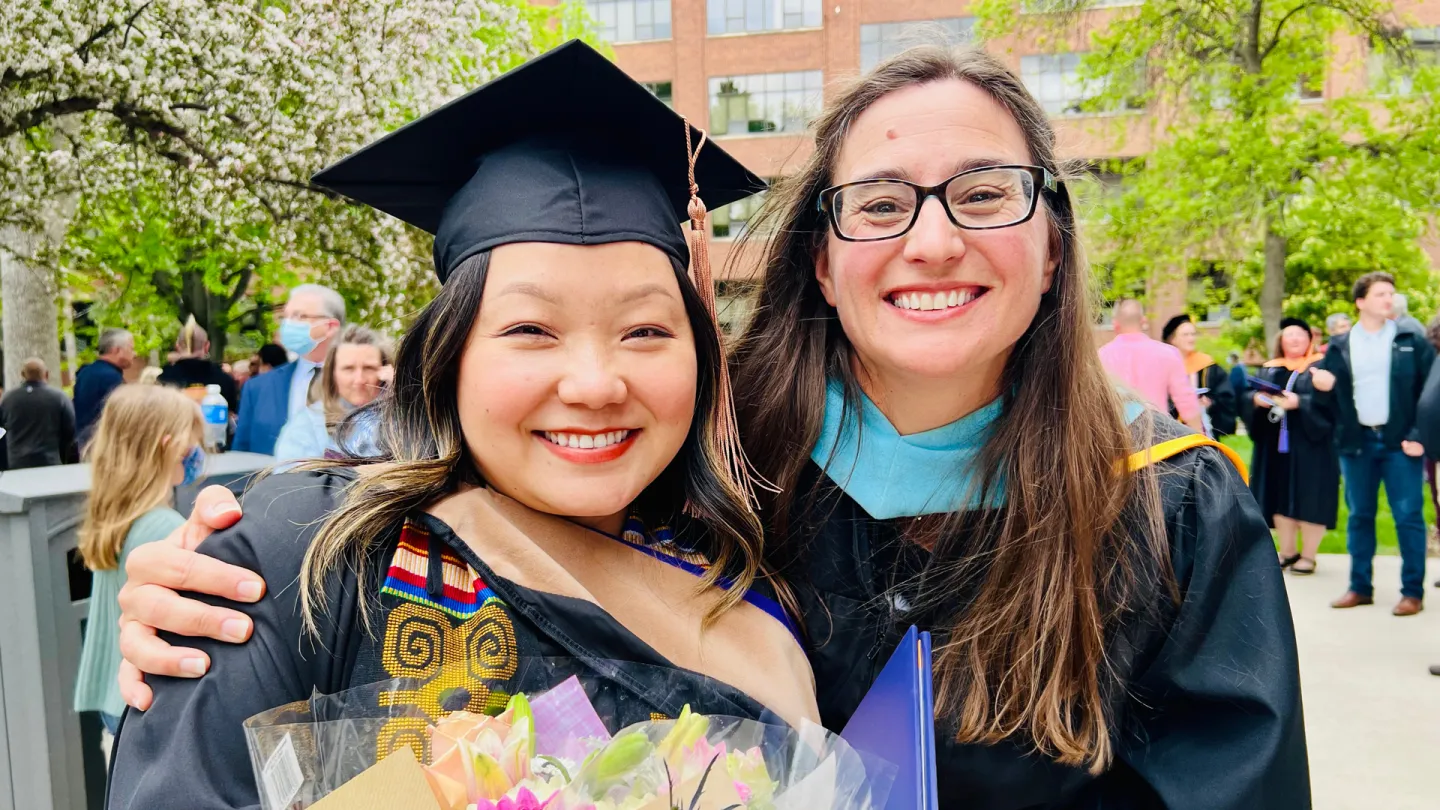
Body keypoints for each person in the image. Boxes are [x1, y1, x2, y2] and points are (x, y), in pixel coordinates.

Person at [112, 45, 1309, 809]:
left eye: (986, 194)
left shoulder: (1168, 506)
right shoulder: (724, 484)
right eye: (879, 205)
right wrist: (216, 580)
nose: (933, 240)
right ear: (821, 264)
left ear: (1055, 242)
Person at [106, 42, 816, 810]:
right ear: (449, 357)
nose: (595, 384)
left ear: (703, 355)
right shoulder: (300, 559)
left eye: (645, 331)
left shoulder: (745, 576)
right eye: (530, 331)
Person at [73, 386, 202, 757]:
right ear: (168, 444)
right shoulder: (163, 526)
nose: (196, 450)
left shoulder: (113, 516)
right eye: (190, 439)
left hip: (111, 702)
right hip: (142, 700)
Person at [1317, 271, 1434, 616]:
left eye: (1391, 294)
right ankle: (1359, 587)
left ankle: (1412, 592)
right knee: (1360, 516)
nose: (1389, 299)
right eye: (1381, 294)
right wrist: (1323, 387)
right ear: (1361, 302)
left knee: (1409, 516)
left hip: (1401, 444)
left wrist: (1419, 436)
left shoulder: (1410, 339)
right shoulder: (1340, 345)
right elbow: (1326, 403)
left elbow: (1430, 392)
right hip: (1357, 444)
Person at [1246, 318, 1339, 575]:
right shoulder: (1269, 368)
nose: (1295, 339)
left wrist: (1300, 403)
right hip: (1275, 445)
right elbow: (1246, 398)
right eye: (1289, 335)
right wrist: (1256, 400)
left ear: (1310, 340)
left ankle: (1308, 555)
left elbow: (1333, 405)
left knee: (1311, 494)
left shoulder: (1321, 369)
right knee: (1278, 493)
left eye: (1300, 335)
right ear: (1281, 341)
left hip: (1312, 446)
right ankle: (1286, 551)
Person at [232, 286, 344, 455]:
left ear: (330, 326)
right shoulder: (257, 388)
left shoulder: (361, 385)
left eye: (299, 316)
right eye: (285, 317)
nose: (288, 324)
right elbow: (240, 454)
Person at [272, 324, 392, 460]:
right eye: (348, 369)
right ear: (332, 374)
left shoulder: (398, 418)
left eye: (369, 368)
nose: (359, 379)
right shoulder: (307, 426)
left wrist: (400, 393)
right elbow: (293, 478)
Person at [1098, 299, 1206, 433]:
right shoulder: (1168, 353)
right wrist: (1200, 436)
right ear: (1143, 321)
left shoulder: (1101, 356)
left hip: (1117, 436)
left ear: (1115, 324)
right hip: (1158, 435)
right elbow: (1186, 402)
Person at [1161, 313, 1237, 436]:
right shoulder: (1163, 366)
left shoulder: (1207, 364)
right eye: (1185, 335)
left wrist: (1211, 402)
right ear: (1172, 339)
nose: (1191, 338)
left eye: (1193, 334)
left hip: (1204, 427)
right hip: (1173, 430)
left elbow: (1226, 395)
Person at [0, 357, 78, 468]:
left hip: (17, 462)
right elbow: (70, 431)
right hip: (50, 461)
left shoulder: (8, 399)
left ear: (22, 374)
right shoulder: (59, 397)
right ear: (46, 374)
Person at [157, 317, 240, 413]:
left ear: (177, 346)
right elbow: (232, 414)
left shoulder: (163, 380)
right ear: (206, 346)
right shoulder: (225, 380)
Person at [74, 328, 136, 443]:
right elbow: (122, 415)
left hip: (84, 439)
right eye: (131, 349)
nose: (134, 354)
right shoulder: (111, 378)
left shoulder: (85, 373)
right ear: (117, 350)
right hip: (104, 442)